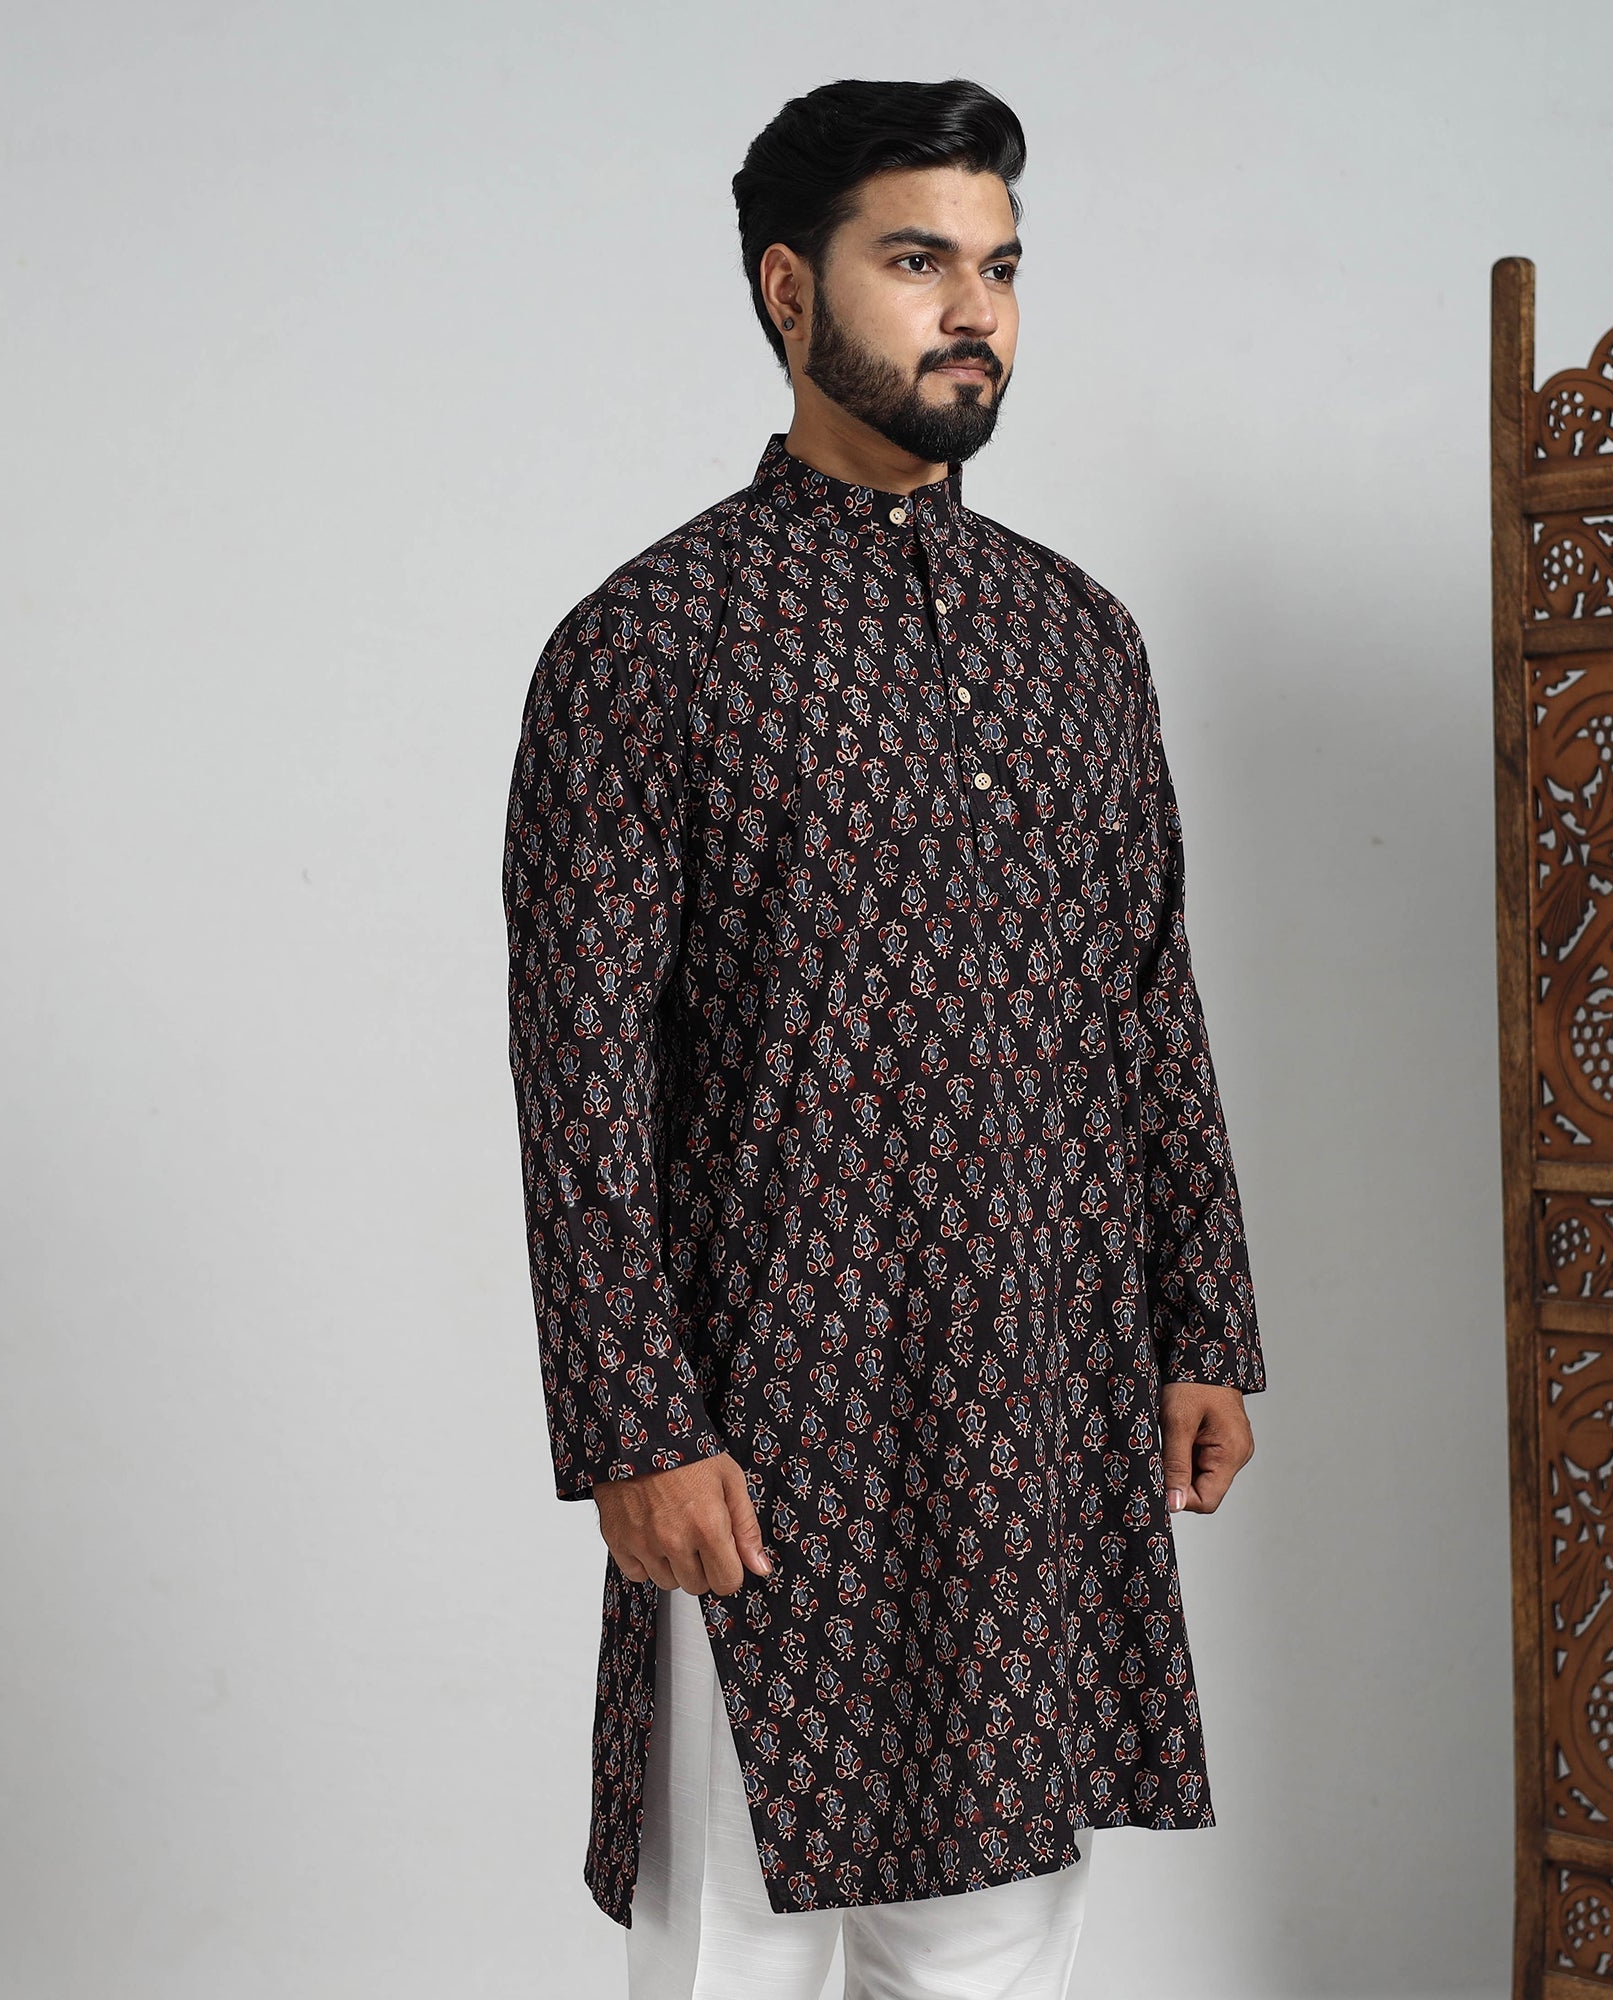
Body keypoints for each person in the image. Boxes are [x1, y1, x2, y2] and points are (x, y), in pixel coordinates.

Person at [500, 74, 1268, 2000]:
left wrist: (1202, 1324)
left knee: (993, 1948)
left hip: (1035, 1403)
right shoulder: (650, 645)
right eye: (918, 261)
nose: (973, 309)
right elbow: (580, 1083)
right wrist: (636, 1425)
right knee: (736, 1947)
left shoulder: (1076, 639)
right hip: (766, 1424)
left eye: (1000, 267)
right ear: (788, 288)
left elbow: (1147, 995)